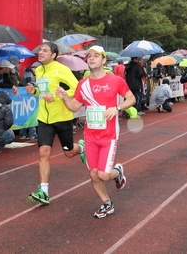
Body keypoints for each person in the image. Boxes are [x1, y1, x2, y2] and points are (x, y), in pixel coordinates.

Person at [55, 45, 135, 218]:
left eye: (96, 56)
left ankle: (117, 172)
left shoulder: (115, 80)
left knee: (104, 175)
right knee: (93, 174)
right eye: (89, 56)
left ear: (104, 60)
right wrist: (65, 98)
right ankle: (107, 203)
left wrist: (117, 107)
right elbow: (75, 107)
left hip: (109, 136)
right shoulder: (83, 85)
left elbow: (131, 98)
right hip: (90, 135)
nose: (91, 58)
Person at [25, 42, 82, 206]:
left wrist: (57, 97)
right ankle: (44, 192)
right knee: (43, 152)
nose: (40, 52)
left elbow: (77, 88)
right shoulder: (39, 70)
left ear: (53, 55)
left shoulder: (61, 69)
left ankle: (81, 148)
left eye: (45, 50)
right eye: (40, 50)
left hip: (62, 117)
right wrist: (34, 91)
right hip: (44, 119)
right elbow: (43, 91)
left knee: (69, 152)